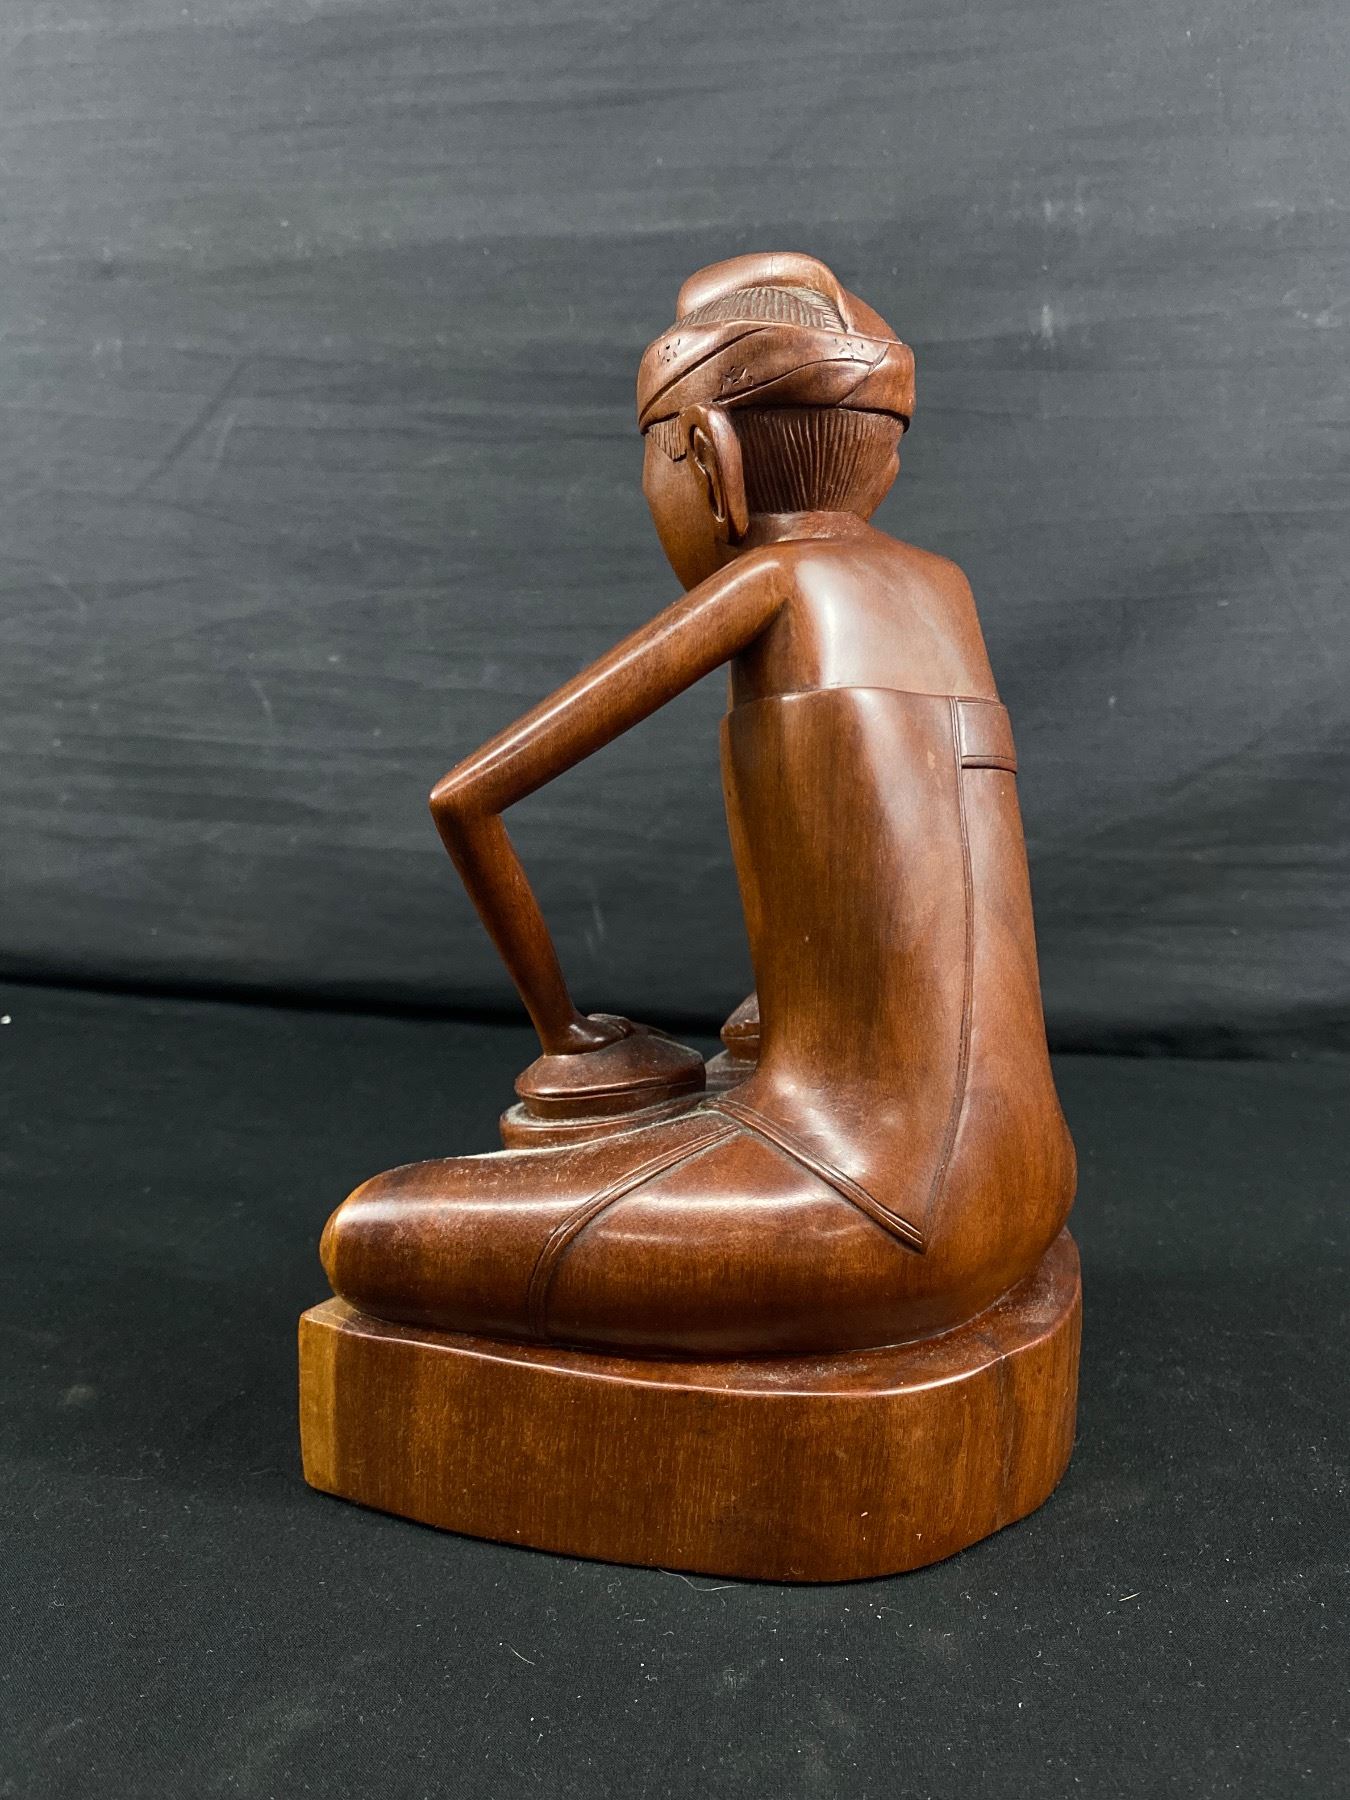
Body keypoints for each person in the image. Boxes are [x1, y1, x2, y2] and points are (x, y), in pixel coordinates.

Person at [320, 253, 1075, 1357]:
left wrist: (570, 1039)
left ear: (707, 456)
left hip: (868, 1203)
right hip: (1028, 1176)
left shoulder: (769, 585)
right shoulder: (944, 590)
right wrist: (777, 1024)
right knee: (692, 1107)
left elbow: (469, 801)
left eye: (652, 459)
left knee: (374, 1230)